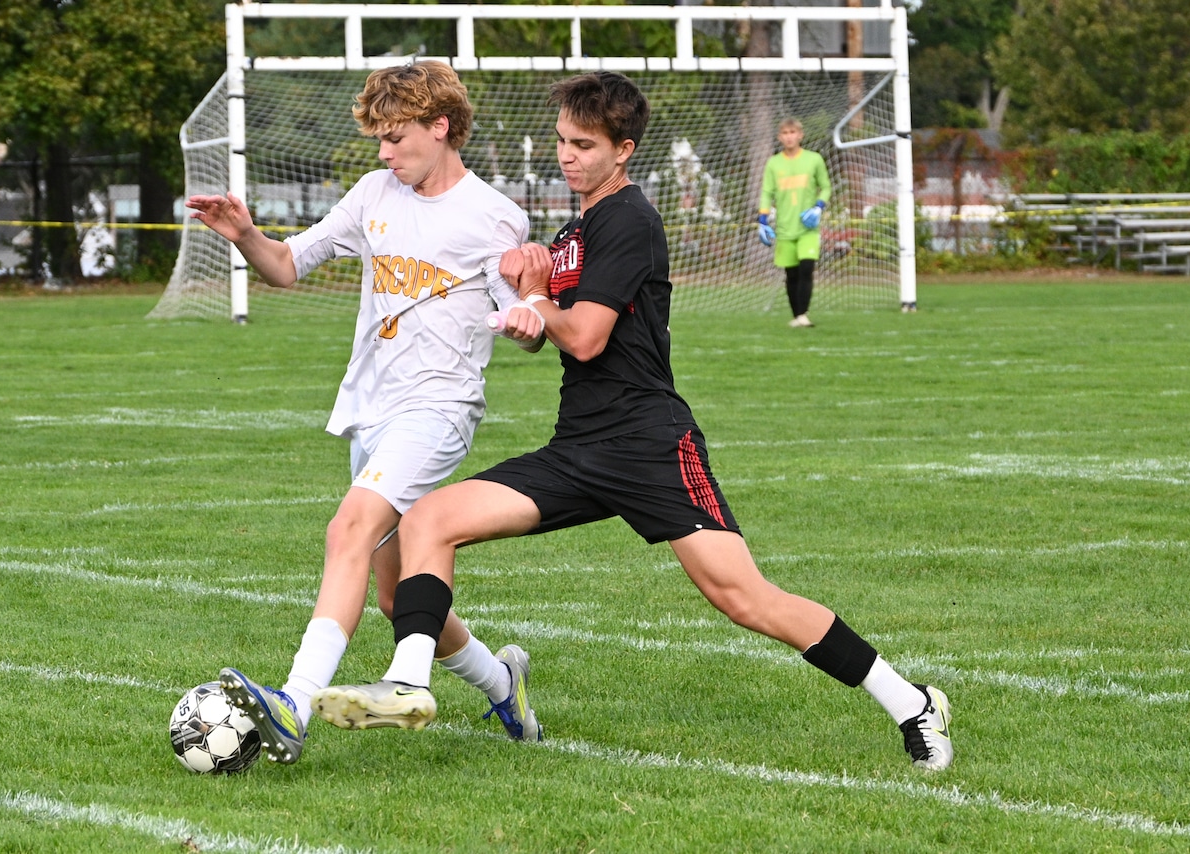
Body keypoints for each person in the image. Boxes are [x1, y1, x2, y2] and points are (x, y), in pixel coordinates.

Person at [310, 72, 953, 771]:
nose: (567, 156)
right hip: (578, 446)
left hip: (650, 445)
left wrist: (533, 290)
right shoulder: (577, 227)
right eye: (561, 141)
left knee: (744, 598)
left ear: (624, 150)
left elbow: (582, 335)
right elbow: (536, 321)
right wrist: (530, 279)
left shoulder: (630, 221)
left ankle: (911, 702)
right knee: (430, 519)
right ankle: (408, 684)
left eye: (584, 145)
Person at [184, 61, 548, 765]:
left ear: (441, 127)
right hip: (372, 412)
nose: (383, 152)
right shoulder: (373, 192)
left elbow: (522, 309)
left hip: (440, 409)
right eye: (378, 139)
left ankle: (292, 702)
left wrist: (528, 319)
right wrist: (245, 235)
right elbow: (289, 266)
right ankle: (506, 685)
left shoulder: (494, 214)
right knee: (394, 597)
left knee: (346, 525)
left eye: (395, 137)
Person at [757, 117, 832, 329]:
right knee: (791, 274)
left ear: (800, 135)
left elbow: (826, 187)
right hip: (784, 228)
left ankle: (803, 315)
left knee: (807, 267)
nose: (789, 137)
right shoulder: (774, 163)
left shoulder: (814, 160)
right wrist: (762, 219)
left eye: (793, 132)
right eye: (785, 133)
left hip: (808, 228)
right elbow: (766, 193)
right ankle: (797, 314)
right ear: (780, 137)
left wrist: (818, 206)